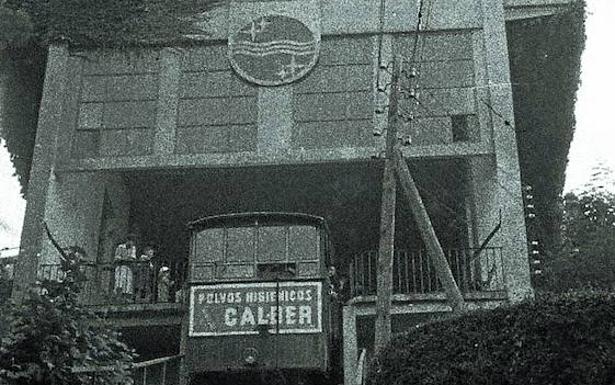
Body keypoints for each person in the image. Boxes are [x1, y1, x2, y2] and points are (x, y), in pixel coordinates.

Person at [114, 234, 137, 301]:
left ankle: (125, 298)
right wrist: (124, 259)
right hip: (120, 267)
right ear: (127, 241)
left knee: (127, 283)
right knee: (119, 282)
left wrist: (125, 259)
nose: (132, 243)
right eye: (131, 241)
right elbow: (117, 257)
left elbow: (132, 258)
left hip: (128, 268)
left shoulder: (133, 248)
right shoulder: (120, 247)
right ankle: (118, 297)